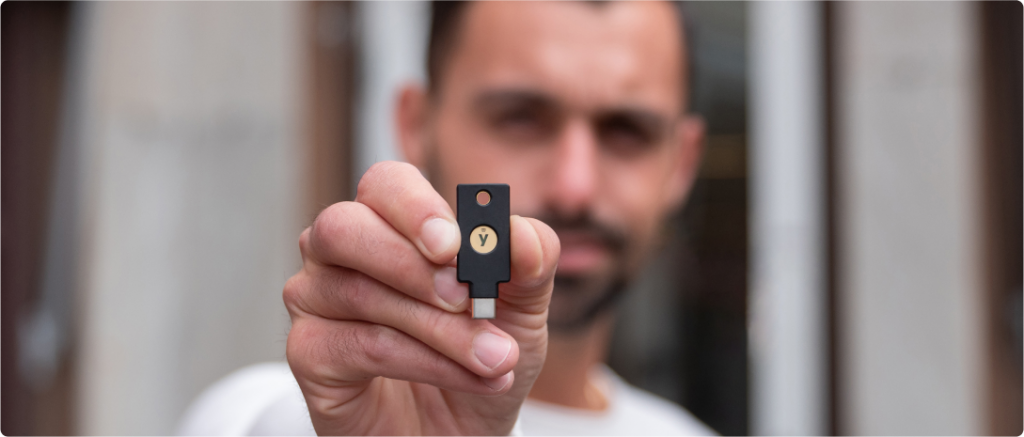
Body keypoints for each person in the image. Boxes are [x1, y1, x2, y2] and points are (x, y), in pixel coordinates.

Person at [177, 0, 716, 435]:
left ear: (682, 162)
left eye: (627, 132)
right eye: (520, 118)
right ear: (416, 125)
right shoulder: (268, 414)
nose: (574, 187)